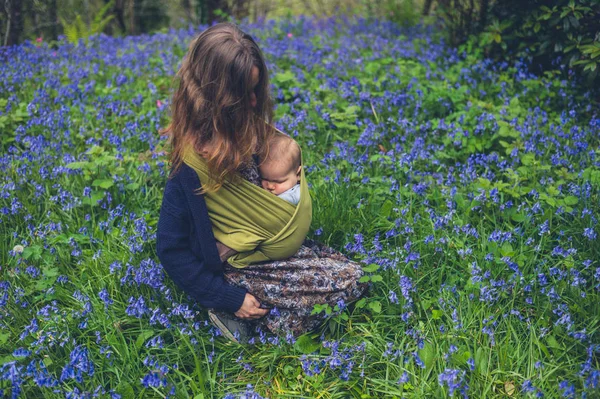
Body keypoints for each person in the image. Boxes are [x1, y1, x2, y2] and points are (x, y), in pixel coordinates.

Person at [156, 22, 369, 344]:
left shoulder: (248, 131)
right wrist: (226, 296)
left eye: (256, 90)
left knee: (347, 268)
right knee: (349, 280)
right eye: (243, 96)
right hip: (236, 267)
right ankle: (249, 316)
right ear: (214, 96)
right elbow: (171, 249)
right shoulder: (189, 167)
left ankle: (259, 318)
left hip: (266, 252)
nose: (255, 103)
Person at [259, 134, 302, 206]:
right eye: (264, 178)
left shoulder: (296, 194)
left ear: (298, 174)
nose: (270, 186)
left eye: (278, 181)